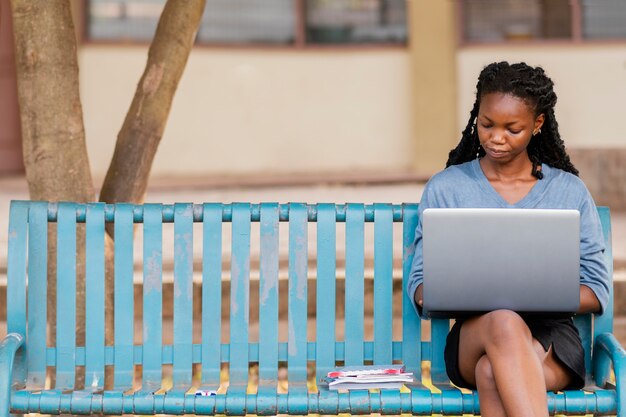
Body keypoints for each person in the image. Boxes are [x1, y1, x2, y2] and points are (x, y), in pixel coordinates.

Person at [406, 61, 610, 417]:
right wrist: (461, 292)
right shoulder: (447, 188)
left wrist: (537, 295)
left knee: (492, 372)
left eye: (512, 128)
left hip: (552, 341)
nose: (496, 137)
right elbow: (421, 287)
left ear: (537, 124)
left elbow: (596, 289)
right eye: (486, 125)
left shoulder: (568, 192)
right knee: (502, 320)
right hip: (475, 334)